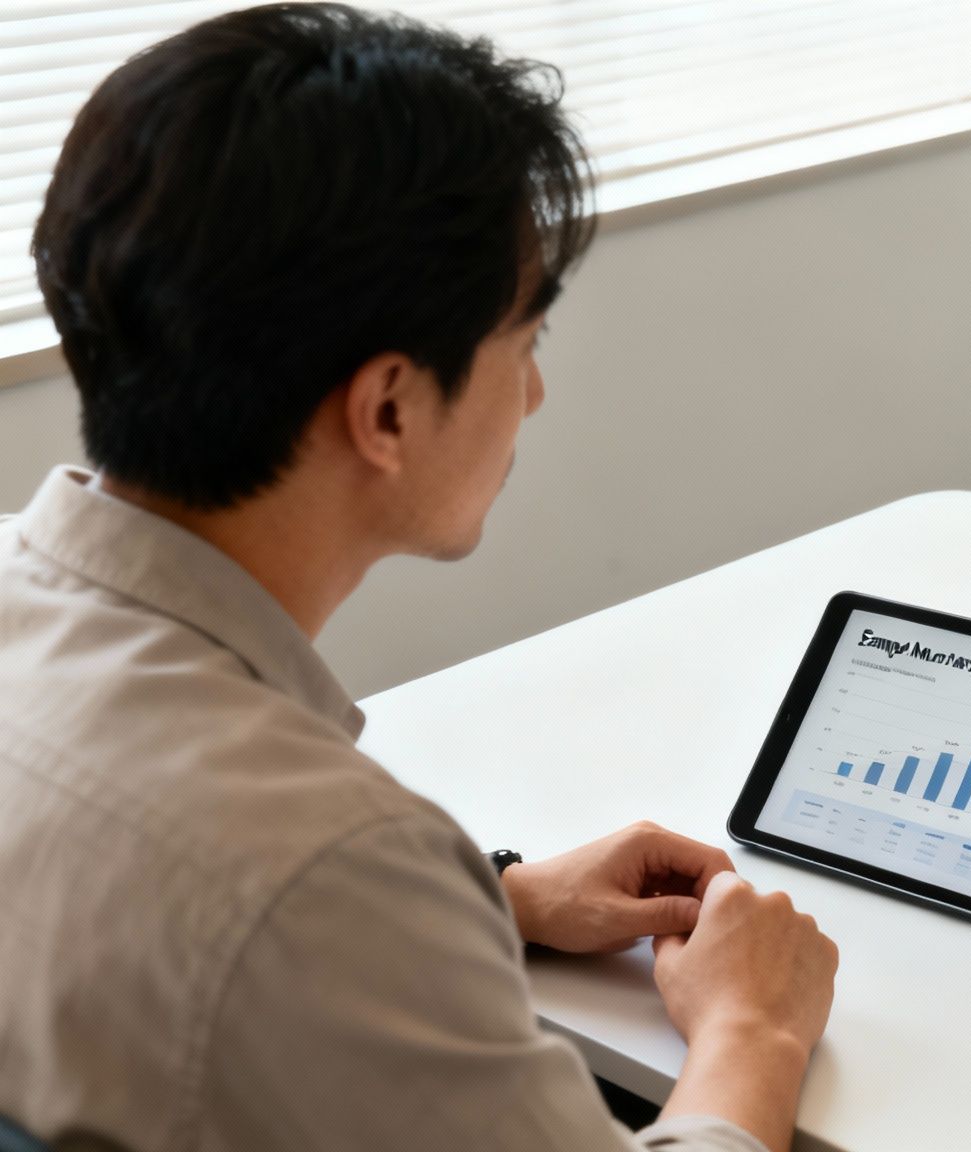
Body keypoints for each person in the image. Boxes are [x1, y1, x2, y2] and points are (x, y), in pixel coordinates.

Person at [0, 5, 836, 1151]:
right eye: (524, 342)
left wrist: (492, 899)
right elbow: (276, 902)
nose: (533, 397)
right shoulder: (320, 869)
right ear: (389, 407)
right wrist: (756, 1030)